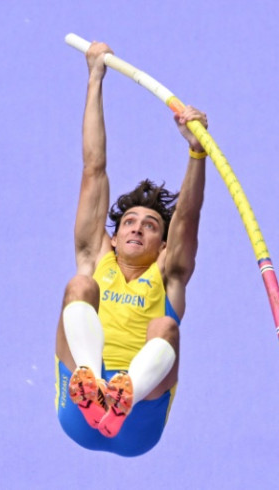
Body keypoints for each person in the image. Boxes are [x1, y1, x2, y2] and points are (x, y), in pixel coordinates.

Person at [55, 40, 208, 457]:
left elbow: (188, 220)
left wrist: (196, 151)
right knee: (79, 288)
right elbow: (93, 169)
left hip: (139, 422)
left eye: (151, 225)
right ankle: (92, 383)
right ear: (115, 233)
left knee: (165, 329)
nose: (137, 228)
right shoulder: (95, 254)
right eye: (129, 222)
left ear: (163, 243)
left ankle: (123, 395)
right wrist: (95, 78)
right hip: (79, 413)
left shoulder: (169, 276)